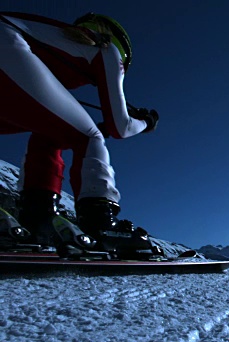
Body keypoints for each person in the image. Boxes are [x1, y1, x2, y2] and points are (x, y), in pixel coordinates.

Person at [0, 12, 161, 259]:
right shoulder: (108, 51)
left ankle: (37, 220)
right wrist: (146, 121)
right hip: (6, 44)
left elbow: (65, 122)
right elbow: (121, 127)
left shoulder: (51, 42)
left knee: (51, 131)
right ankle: (101, 225)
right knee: (89, 137)